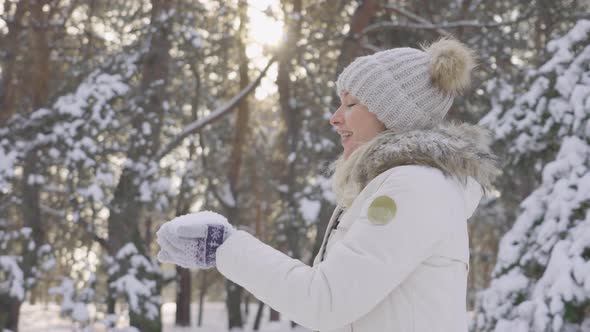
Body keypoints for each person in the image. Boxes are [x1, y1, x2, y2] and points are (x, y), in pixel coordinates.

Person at [156, 37, 500, 332]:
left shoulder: (413, 188)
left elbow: (326, 300)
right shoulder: (399, 184)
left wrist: (224, 248)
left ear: (393, 116)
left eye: (351, 104)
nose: (336, 117)